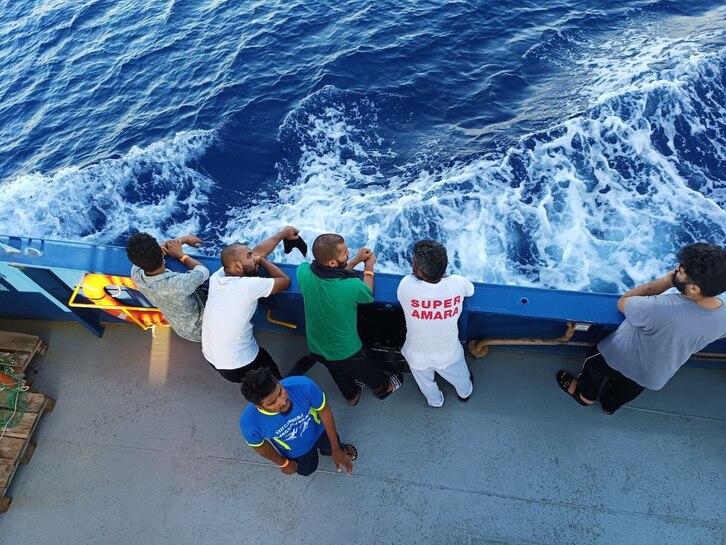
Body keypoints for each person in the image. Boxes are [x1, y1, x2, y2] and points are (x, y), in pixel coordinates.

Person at [557, 242, 726, 415]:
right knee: (626, 390)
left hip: (617, 357)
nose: (676, 269)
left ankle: (585, 396)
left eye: (681, 271)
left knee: (594, 365)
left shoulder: (659, 309)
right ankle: (609, 406)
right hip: (654, 374)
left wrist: (667, 281)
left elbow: (623, 302)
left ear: (694, 288)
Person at [296, 233, 403, 405]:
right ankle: (382, 389)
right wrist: (368, 266)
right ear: (332, 262)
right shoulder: (351, 286)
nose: (348, 252)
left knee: (337, 372)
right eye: (345, 252)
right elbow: (367, 294)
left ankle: (352, 397)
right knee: (370, 370)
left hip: (316, 346)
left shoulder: (303, 272)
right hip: (346, 351)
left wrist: (354, 260)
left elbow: (330, 272)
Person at [201, 226, 300, 383]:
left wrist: (282, 234)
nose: (254, 257)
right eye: (249, 256)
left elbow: (258, 252)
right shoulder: (246, 286)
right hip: (240, 365)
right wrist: (263, 262)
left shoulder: (218, 277)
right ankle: (283, 387)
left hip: (212, 359)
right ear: (237, 267)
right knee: (271, 378)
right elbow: (285, 281)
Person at [397, 240, 475, 407]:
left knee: (426, 384)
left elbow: (412, 281)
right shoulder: (457, 282)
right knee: (461, 377)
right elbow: (471, 290)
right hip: (449, 353)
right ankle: (464, 393)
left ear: (419, 271)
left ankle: (435, 401)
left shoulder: (406, 286)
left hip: (416, 354)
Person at [240, 368, 356, 477]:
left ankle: (335, 449)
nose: (282, 401)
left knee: (332, 444)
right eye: (272, 403)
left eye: (280, 392)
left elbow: (324, 410)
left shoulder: (304, 385)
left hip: (320, 431)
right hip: (296, 452)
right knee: (306, 470)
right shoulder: (249, 424)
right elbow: (259, 446)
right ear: (258, 406)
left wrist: (336, 447)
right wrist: (284, 463)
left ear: (278, 382)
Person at [126, 233, 209, 342]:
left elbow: (154, 252)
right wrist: (181, 255)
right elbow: (203, 271)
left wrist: (183, 240)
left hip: (181, 328)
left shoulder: (136, 273)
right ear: (162, 253)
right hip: (202, 329)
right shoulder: (178, 285)